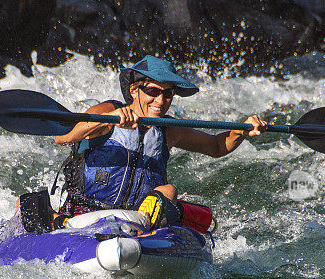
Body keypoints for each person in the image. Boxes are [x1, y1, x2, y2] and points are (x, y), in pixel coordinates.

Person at [51, 55, 266, 225]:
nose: (161, 101)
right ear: (134, 90)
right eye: (153, 91)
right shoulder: (107, 111)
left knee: (168, 191)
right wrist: (109, 120)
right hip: (86, 211)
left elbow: (217, 146)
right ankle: (58, 222)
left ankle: (144, 233)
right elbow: (63, 137)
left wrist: (241, 131)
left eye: (168, 94)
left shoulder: (169, 129)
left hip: (138, 219)